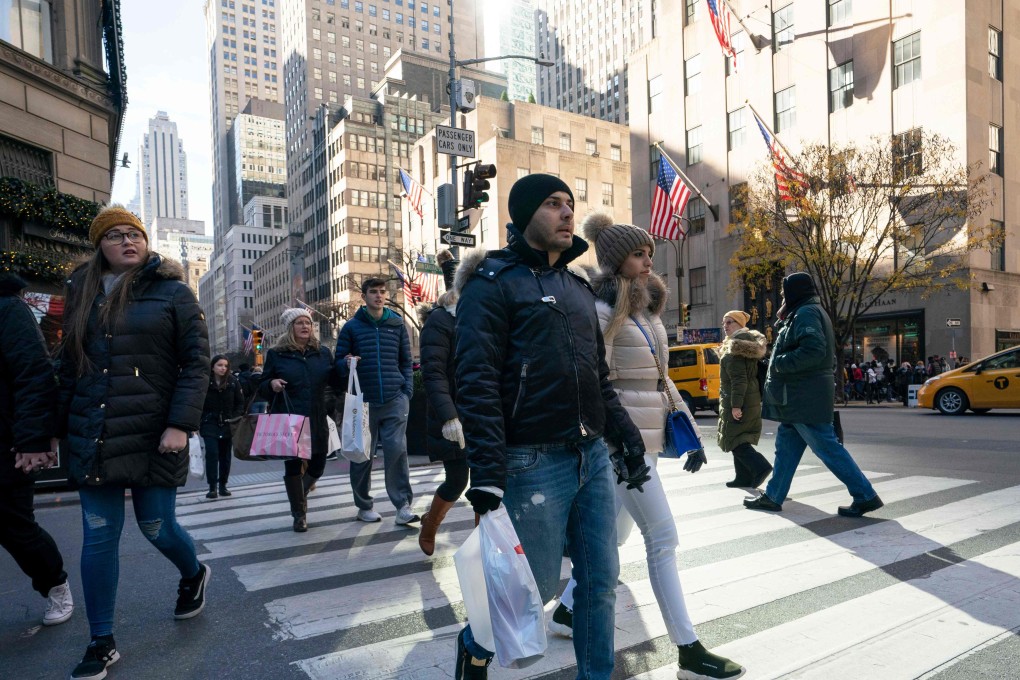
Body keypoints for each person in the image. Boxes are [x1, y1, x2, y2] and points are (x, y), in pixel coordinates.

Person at [452, 175, 652, 680]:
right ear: (522, 217)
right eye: (551, 204)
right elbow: (475, 381)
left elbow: (597, 378)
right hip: (530, 462)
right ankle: (473, 649)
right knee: (531, 590)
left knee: (600, 584)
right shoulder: (492, 284)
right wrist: (488, 470)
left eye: (569, 204)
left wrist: (626, 440)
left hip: (592, 458)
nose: (566, 214)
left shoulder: (577, 287)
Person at [547, 215, 744, 679]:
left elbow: (660, 378)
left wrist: (689, 428)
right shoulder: (601, 313)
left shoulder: (645, 311)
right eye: (639, 254)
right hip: (622, 445)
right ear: (617, 261)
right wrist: (623, 445)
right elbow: (599, 384)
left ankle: (564, 611)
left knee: (615, 537)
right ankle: (689, 651)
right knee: (663, 538)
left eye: (649, 252)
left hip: (647, 438)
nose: (648, 260)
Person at [56, 206, 211, 680]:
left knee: (156, 528)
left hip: (155, 432)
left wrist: (180, 425)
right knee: (100, 536)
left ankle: (193, 574)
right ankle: (101, 641)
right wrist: (46, 430)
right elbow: (65, 367)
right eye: (115, 236)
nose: (128, 241)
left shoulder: (173, 292)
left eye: (135, 234)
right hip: (93, 432)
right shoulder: (80, 293)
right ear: (99, 246)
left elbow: (196, 363)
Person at [745, 272, 884, 517]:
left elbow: (813, 350)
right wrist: (782, 320)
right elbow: (802, 343)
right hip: (799, 397)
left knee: (827, 448)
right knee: (786, 447)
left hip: (803, 396)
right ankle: (774, 495)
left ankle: (865, 495)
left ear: (794, 291)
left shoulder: (807, 313)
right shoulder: (802, 311)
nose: (780, 297)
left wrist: (778, 363)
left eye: (783, 292)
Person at [0, 272, 74, 628]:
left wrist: (33, 440)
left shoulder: (8, 308)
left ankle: (54, 583)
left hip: (5, 442)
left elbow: (33, 373)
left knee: (14, 527)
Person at [335, 278, 418, 526]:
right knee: (362, 455)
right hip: (364, 402)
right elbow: (338, 361)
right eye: (374, 292)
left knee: (397, 451)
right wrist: (346, 362)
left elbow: (407, 361)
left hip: (395, 398)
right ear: (364, 296)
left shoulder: (397, 324)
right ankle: (364, 505)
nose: (379, 296)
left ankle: (403, 506)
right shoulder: (351, 327)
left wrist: (407, 391)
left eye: (382, 292)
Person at [259, 308, 337, 532]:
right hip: (290, 417)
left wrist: (348, 366)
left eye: (308, 323)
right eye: (299, 323)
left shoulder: (322, 352)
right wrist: (271, 384)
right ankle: (299, 514)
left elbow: (335, 380)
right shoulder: (277, 354)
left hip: (317, 415)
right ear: (290, 327)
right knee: (293, 465)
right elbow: (263, 383)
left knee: (319, 465)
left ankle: (298, 495)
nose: (305, 326)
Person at [417, 250, 467, 556]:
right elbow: (433, 373)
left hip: (484, 410)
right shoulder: (439, 320)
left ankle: (483, 540)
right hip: (453, 411)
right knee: (458, 480)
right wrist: (449, 417)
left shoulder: (482, 316)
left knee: (488, 482)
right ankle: (431, 524)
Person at [718, 310, 772, 490]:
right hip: (749, 398)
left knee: (736, 440)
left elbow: (739, 380)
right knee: (738, 438)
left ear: (740, 325)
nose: (725, 326)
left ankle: (760, 467)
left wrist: (736, 405)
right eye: (724, 322)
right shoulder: (740, 343)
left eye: (730, 322)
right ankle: (742, 477)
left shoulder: (737, 346)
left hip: (743, 400)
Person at [199, 354, 244, 499]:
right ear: (212, 367)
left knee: (225, 456)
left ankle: (223, 485)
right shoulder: (205, 382)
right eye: (219, 365)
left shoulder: (233, 382)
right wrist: (200, 421)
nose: (223, 368)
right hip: (209, 423)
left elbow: (240, 403)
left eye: (225, 366)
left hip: (227, 423)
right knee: (212, 453)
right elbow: (198, 403)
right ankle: (212, 487)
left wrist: (235, 418)